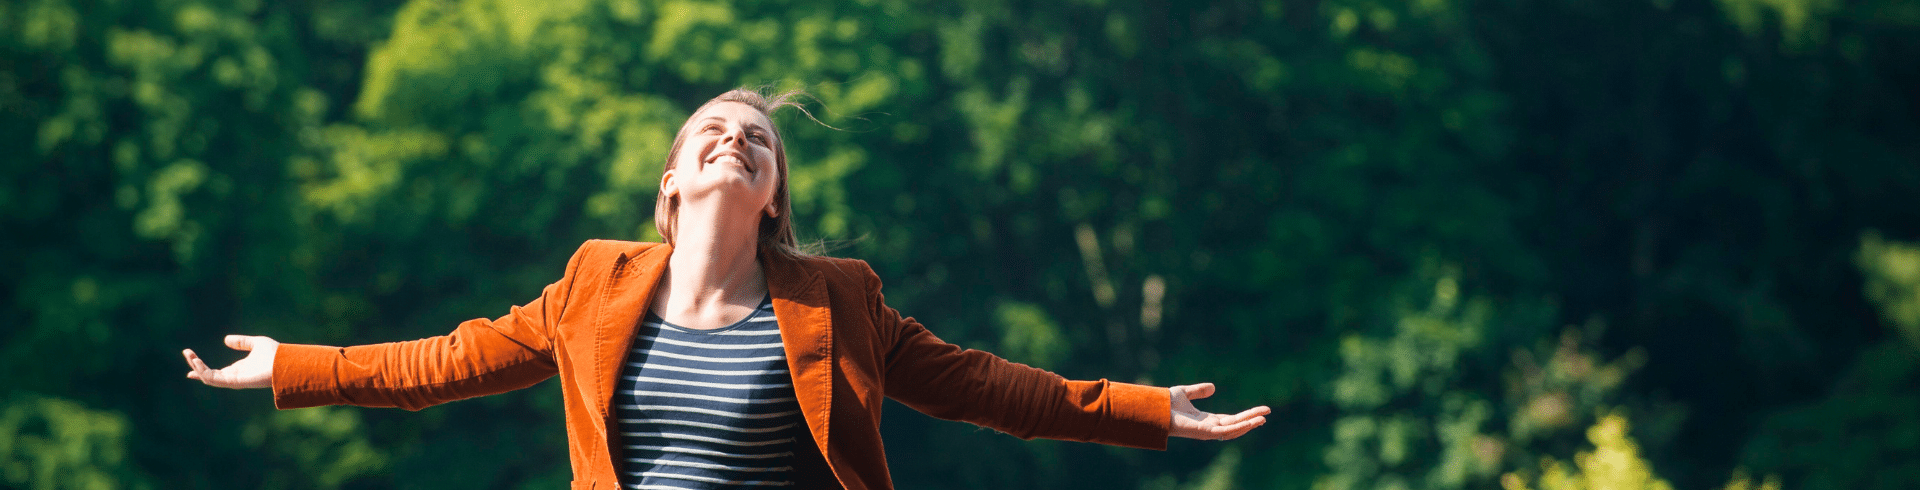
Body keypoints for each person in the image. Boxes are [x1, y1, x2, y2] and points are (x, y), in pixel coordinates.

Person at [183, 88, 1270, 490]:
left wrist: (1145, 410)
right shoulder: (592, 285)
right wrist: (296, 366)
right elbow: (443, 364)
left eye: (758, 140)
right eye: (714, 130)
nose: (737, 142)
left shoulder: (837, 299)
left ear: (773, 191)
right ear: (672, 182)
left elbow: (984, 386)